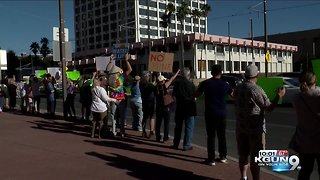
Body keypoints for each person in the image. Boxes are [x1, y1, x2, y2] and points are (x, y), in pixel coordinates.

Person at [233, 64, 285, 180]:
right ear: (256, 75)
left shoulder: (238, 88)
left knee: (243, 154)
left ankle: (243, 177)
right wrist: (278, 96)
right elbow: (269, 107)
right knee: (256, 157)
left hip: (241, 128)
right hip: (255, 130)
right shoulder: (256, 90)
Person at [195, 65, 233, 165]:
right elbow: (233, 95)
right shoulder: (225, 84)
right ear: (221, 72)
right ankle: (223, 156)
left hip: (210, 113)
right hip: (222, 113)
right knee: (222, 136)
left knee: (211, 136)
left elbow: (197, 94)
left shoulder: (205, 83)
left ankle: (211, 159)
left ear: (211, 72)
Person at [290, 71, 320, 180]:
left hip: (304, 140)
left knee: (305, 171)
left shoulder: (296, 98)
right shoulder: (318, 95)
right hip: (318, 140)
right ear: (315, 81)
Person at [107, 53, 132, 137]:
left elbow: (107, 69)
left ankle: (113, 131)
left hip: (113, 98)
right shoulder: (121, 77)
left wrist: (110, 61)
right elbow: (130, 70)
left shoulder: (109, 78)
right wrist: (126, 61)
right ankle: (122, 132)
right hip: (121, 98)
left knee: (113, 116)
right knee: (122, 116)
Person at [172, 68, 196, 151]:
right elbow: (195, 95)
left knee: (178, 127)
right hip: (189, 108)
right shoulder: (191, 84)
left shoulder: (177, 83)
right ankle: (186, 145)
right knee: (189, 127)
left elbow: (174, 96)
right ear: (188, 75)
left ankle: (176, 143)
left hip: (180, 107)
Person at [155, 69, 180, 143]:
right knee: (166, 123)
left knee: (158, 123)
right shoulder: (164, 86)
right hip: (166, 107)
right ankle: (165, 138)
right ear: (163, 81)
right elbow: (172, 78)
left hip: (158, 107)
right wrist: (177, 72)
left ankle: (158, 136)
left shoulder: (155, 88)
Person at [140, 71, 156, 138]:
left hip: (144, 101)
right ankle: (151, 131)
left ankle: (143, 131)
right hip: (150, 102)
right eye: (148, 76)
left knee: (145, 117)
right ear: (147, 77)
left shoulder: (141, 84)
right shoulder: (149, 85)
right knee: (152, 116)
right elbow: (155, 89)